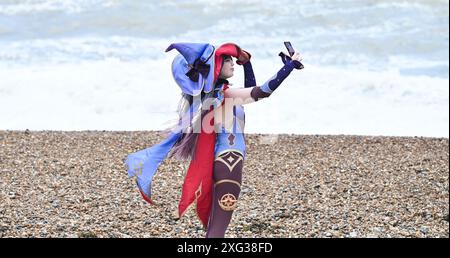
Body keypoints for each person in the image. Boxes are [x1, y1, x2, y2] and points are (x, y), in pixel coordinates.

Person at [125, 42, 303, 238]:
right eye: (227, 60)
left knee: (215, 224)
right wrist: (290, 66)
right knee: (219, 227)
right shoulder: (223, 95)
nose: (232, 63)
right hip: (230, 162)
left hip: (223, 162)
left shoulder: (216, 96)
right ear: (217, 68)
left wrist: (247, 63)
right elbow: (261, 92)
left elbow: (251, 91)